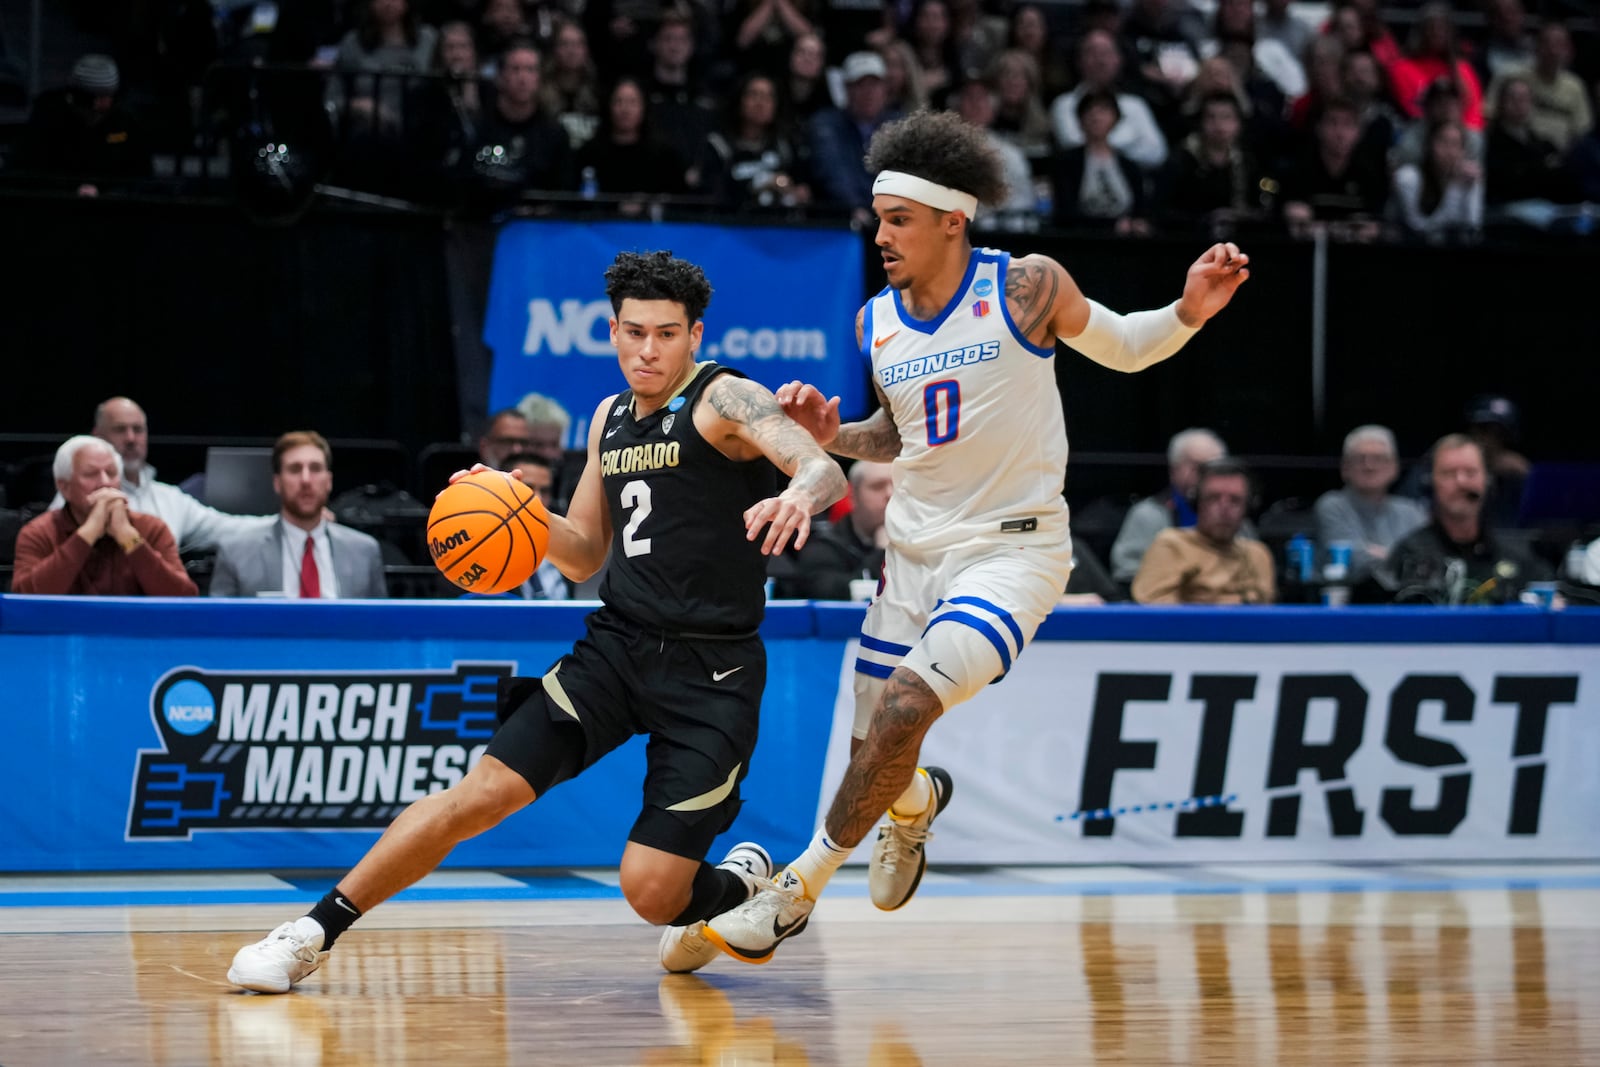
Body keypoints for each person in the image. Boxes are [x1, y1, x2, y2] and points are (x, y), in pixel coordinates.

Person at [702, 109, 1249, 964]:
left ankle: (797, 890)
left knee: (908, 708)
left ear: (954, 220)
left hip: (1013, 550)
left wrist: (1187, 308)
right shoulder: (873, 321)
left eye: (898, 220)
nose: (878, 234)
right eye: (877, 217)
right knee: (872, 757)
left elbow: (1128, 347)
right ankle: (914, 806)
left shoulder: (1026, 285)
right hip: (912, 554)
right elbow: (899, 436)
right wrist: (834, 431)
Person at [227, 251, 847, 993]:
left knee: (651, 892)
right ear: (612, 330)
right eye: (634, 331)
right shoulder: (610, 419)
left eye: (667, 334)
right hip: (617, 648)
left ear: (695, 335)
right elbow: (584, 552)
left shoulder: (725, 398)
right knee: (479, 793)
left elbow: (822, 466)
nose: (648, 350)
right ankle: (311, 930)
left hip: (713, 671)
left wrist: (796, 496)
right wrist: (510, 503)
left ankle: (743, 886)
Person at [50, 397, 272, 554]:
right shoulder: (76, 496)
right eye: (120, 429)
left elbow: (227, 528)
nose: (130, 438)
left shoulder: (170, 499)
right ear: (97, 435)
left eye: (138, 429)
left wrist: (287, 523)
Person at [209, 432, 388, 599]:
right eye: (295, 469)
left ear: (329, 481)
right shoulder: (236, 553)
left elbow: (382, 627)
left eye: (315, 468)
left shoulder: (364, 552)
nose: (306, 480)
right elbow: (218, 628)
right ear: (277, 483)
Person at [13, 436, 196, 597]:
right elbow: (24, 600)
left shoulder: (152, 528)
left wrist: (128, 537)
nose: (105, 483)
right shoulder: (38, 533)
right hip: (62, 633)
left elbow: (183, 599)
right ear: (64, 487)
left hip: (135, 633)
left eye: (111, 473)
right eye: (91, 474)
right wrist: (87, 534)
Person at [1384, 434, 1550, 605]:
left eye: (1470, 472)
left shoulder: (1517, 557)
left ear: (1488, 481)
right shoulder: (1409, 553)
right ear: (1430, 483)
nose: (1461, 482)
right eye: (1449, 473)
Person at [1130, 458, 1274, 604]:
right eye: (1214, 498)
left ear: (1249, 507)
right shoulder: (1172, 545)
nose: (1224, 509)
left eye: (1235, 500)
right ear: (1196, 502)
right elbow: (1153, 613)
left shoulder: (1258, 555)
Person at [1109, 427, 1228, 585]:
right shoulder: (1148, 515)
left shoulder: (1231, 515)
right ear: (1174, 468)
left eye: (1216, 469)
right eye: (1199, 467)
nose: (1208, 476)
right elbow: (1126, 572)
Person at [1313, 424, 1427, 584]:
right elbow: (1354, 560)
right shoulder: (1331, 505)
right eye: (1360, 459)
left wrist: (1378, 552)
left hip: (1405, 603)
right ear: (1345, 468)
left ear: (1394, 467)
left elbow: (1428, 561)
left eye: (1379, 458)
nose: (1369, 466)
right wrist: (1402, 558)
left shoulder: (1411, 511)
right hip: (1349, 602)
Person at [769, 460, 892, 599]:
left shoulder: (920, 541)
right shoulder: (823, 547)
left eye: (898, 486)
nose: (890, 494)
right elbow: (829, 594)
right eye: (878, 487)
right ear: (853, 496)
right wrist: (883, 553)